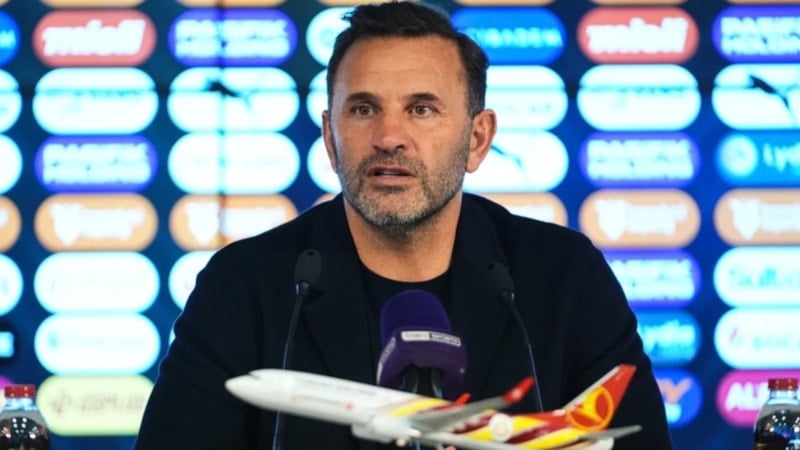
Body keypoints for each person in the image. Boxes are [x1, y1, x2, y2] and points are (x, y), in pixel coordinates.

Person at [134, 1, 674, 449]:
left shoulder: (565, 274)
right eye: (363, 109)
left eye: (421, 109)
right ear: (330, 138)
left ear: (478, 139)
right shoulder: (242, 283)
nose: (389, 137)